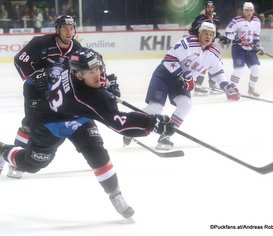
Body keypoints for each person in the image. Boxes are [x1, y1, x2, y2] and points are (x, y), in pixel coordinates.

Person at [0, 47, 175, 219]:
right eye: (91, 71)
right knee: (31, 164)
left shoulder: (75, 70)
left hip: (80, 118)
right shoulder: (86, 97)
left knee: (98, 156)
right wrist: (153, 123)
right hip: (49, 123)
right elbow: (120, 124)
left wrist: (108, 83)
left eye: (97, 68)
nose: (97, 74)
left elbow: (96, 74)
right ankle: (2, 150)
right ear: (79, 75)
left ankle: (115, 194)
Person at [135, 22, 240, 150]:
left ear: (214, 37)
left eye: (211, 34)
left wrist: (227, 87)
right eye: (205, 33)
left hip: (180, 83)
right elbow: (169, 60)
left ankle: (166, 135)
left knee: (186, 105)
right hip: (164, 76)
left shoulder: (214, 54)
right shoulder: (187, 43)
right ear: (200, 33)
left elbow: (218, 74)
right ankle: (132, 125)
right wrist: (186, 77)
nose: (208, 36)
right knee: (155, 108)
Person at [7, 15, 83, 179]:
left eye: (71, 28)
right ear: (58, 29)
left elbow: (79, 72)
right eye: (64, 28)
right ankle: (15, 161)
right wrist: (35, 75)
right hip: (34, 89)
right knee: (29, 124)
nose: (68, 31)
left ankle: (91, 150)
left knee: (69, 122)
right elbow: (19, 60)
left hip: (57, 92)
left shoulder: (76, 48)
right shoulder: (40, 43)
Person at [188, 0, 231, 95]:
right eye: (208, 7)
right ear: (205, 7)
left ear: (214, 8)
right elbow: (191, 30)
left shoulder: (216, 20)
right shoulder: (200, 18)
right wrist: (199, 41)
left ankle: (212, 85)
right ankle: (198, 85)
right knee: (203, 63)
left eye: (211, 7)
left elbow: (215, 33)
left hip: (211, 44)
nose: (209, 9)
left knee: (215, 63)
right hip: (201, 45)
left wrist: (221, 37)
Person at [225, 2, 264, 97]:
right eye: (247, 10)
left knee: (256, 69)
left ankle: (251, 88)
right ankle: (231, 89)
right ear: (243, 11)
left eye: (251, 10)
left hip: (250, 49)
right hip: (238, 48)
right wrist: (236, 37)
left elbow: (256, 37)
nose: (249, 12)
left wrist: (258, 46)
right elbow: (227, 32)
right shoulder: (236, 20)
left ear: (253, 11)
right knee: (239, 69)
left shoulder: (257, 21)